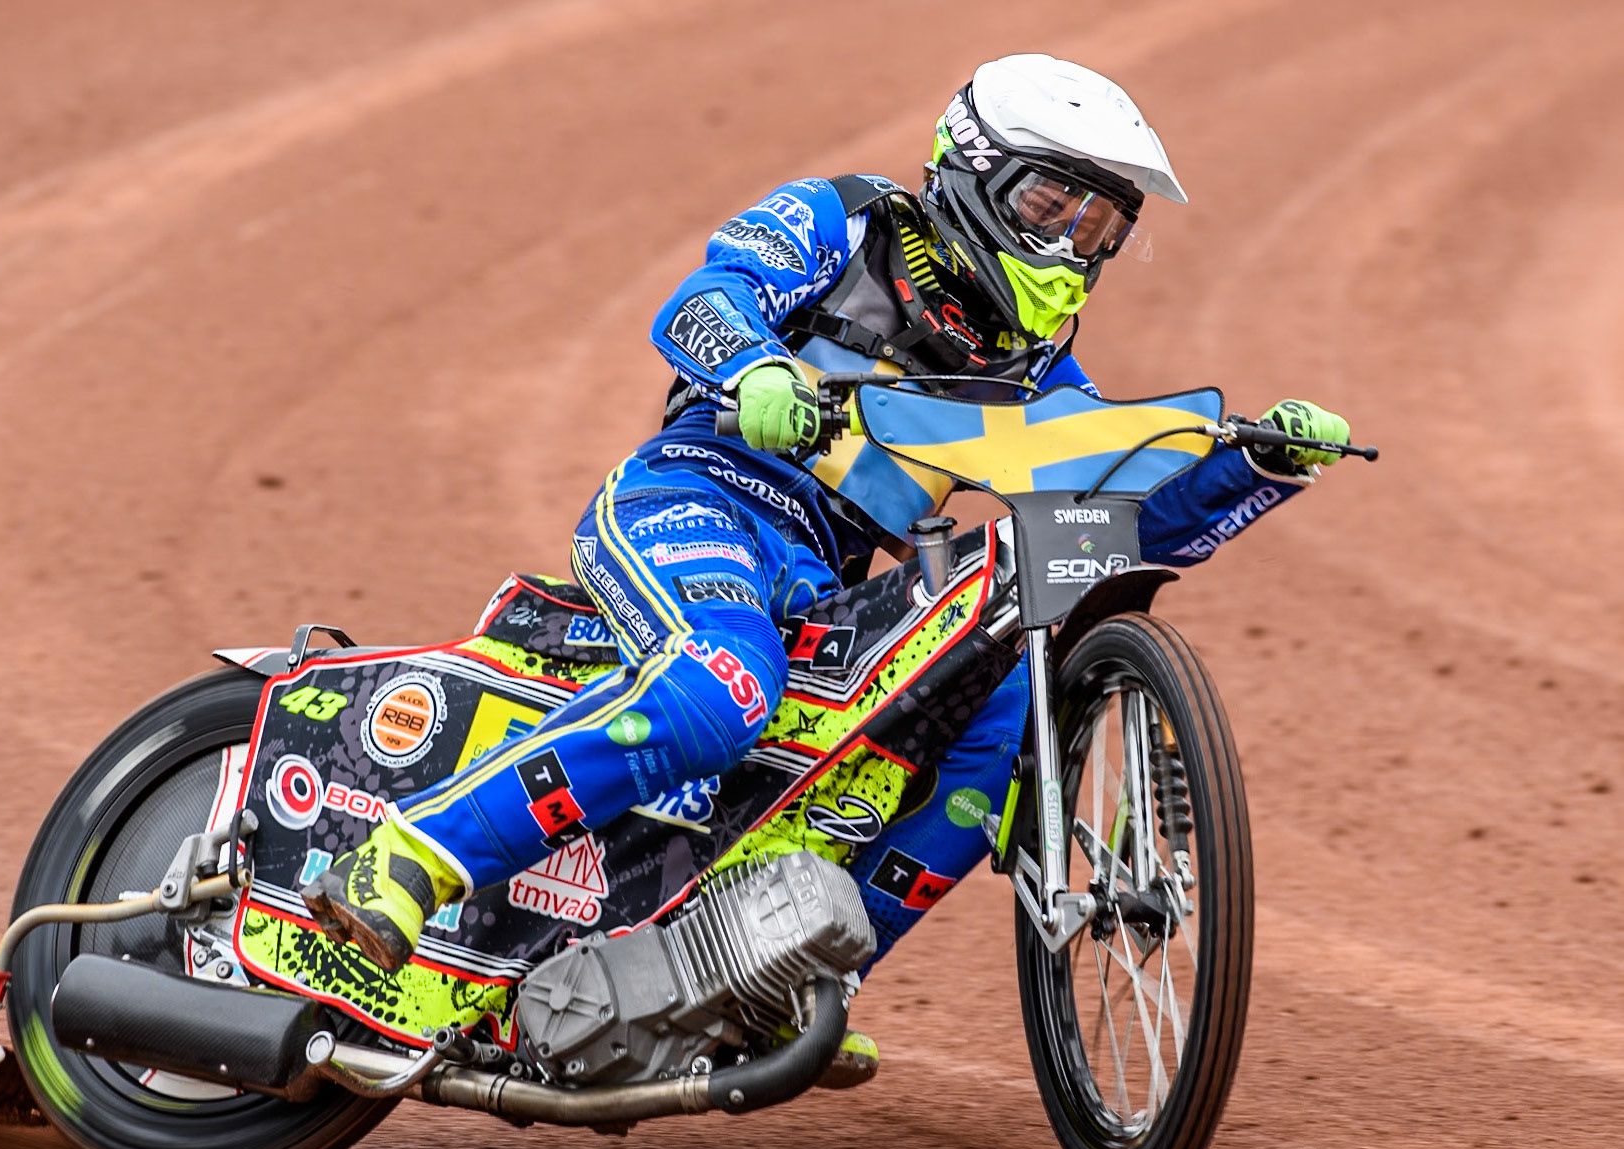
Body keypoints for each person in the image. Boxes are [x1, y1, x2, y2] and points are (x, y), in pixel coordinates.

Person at [304, 54, 1347, 1003]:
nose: (1071, 246)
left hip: (825, 573)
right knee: (723, 686)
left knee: (988, 723)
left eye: (1099, 228)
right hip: (694, 494)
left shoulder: (1037, 372)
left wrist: (1243, 467)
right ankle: (408, 854)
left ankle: (796, 979)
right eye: (1050, 205)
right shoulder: (844, 221)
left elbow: (1109, 525)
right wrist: (757, 368)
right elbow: (703, 297)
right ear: (973, 173)